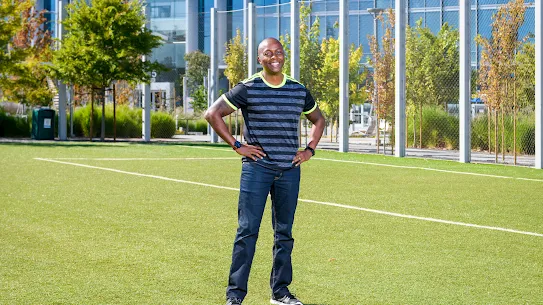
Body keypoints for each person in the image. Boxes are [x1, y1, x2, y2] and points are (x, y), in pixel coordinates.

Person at [204, 37, 325, 305]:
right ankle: (235, 296)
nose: (274, 57)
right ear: (260, 58)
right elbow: (212, 113)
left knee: (284, 234)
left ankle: (280, 293)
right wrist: (237, 145)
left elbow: (318, 120)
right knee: (247, 232)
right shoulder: (248, 88)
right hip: (256, 170)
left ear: (284, 56)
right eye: (268, 53)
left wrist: (309, 150)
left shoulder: (298, 89)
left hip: (289, 171)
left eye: (279, 52)